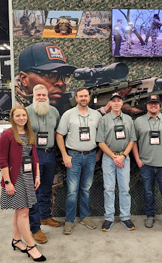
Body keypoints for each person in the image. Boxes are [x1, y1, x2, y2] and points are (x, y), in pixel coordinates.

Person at [0, 105, 46, 262]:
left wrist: (37, 175)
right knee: (24, 212)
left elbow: (35, 157)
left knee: (20, 211)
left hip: (28, 176)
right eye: (17, 116)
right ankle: (31, 246)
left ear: (27, 117)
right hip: (15, 178)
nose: (21, 118)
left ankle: (17, 240)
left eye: (23, 115)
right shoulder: (7, 135)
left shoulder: (29, 133)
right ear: (13, 118)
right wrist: (7, 182)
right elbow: (3, 160)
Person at [56, 87, 102, 235]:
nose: (83, 98)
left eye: (85, 96)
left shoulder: (96, 115)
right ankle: (69, 221)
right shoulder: (68, 115)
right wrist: (64, 155)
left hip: (90, 156)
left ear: (89, 97)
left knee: (86, 189)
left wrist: (99, 153)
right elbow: (59, 135)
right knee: (72, 190)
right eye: (80, 96)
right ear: (76, 98)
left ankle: (84, 216)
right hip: (73, 157)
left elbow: (102, 136)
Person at [132, 94, 162, 235]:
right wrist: (138, 160)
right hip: (146, 164)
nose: (153, 105)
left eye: (156, 103)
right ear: (146, 105)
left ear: (160, 105)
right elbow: (133, 141)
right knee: (148, 193)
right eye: (150, 103)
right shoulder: (139, 121)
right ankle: (150, 216)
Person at [96, 93, 136, 231]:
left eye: (119, 101)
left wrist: (123, 156)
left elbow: (132, 140)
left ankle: (125, 217)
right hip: (109, 158)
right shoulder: (104, 120)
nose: (117, 103)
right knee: (109, 189)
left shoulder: (129, 120)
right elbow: (100, 142)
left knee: (125, 189)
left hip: (124, 158)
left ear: (122, 103)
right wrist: (114, 157)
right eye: (114, 101)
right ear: (110, 104)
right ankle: (109, 217)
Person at [26, 84, 61, 244]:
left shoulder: (54, 111)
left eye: (43, 95)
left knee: (47, 188)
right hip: (34, 154)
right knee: (34, 191)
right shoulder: (25, 112)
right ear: (33, 96)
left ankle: (45, 217)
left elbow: (57, 132)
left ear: (47, 96)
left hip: (50, 154)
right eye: (38, 95)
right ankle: (34, 227)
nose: (41, 97)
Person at [15, 42, 77, 113]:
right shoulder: (10, 110)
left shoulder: (67, 106)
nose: (61, 83)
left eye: (65, 76)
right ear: (24, 79)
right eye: (50, 75)